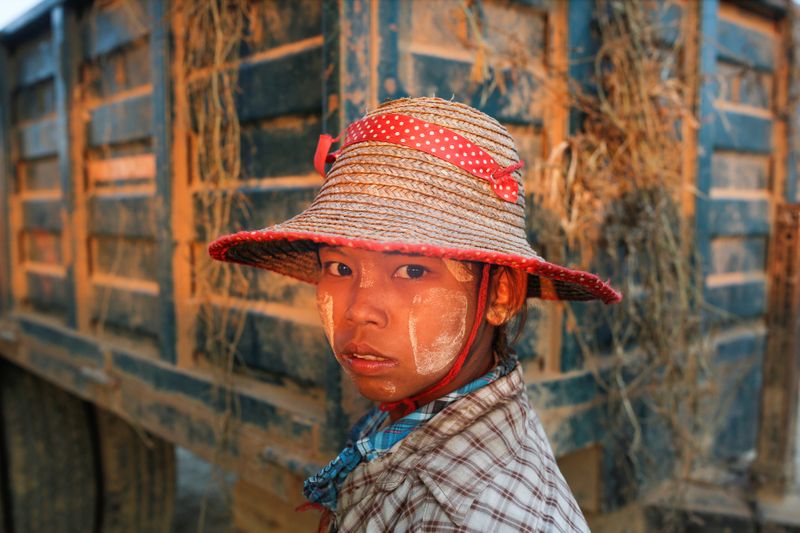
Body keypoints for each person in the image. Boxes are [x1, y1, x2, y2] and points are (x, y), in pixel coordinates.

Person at [209, 97, 621, 532]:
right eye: (340, 267)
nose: (360, 311)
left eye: (412, 270)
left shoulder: (464, 520)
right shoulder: (417, 409)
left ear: (502, 293)